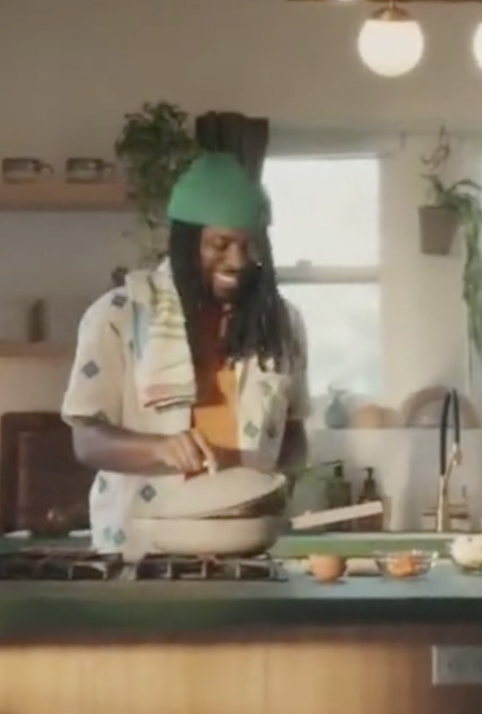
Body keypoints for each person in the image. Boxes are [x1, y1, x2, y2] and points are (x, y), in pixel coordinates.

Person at [60, 152, 310, 551]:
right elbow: (86, 441)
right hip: (142, 550)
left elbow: (293, 431)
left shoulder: (282, 324)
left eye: (250, 245)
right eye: (220, 244)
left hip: (248, 545)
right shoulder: (118, 316)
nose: (238, 261)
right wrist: (156, 448)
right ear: (187, 242)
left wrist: (281, 478)